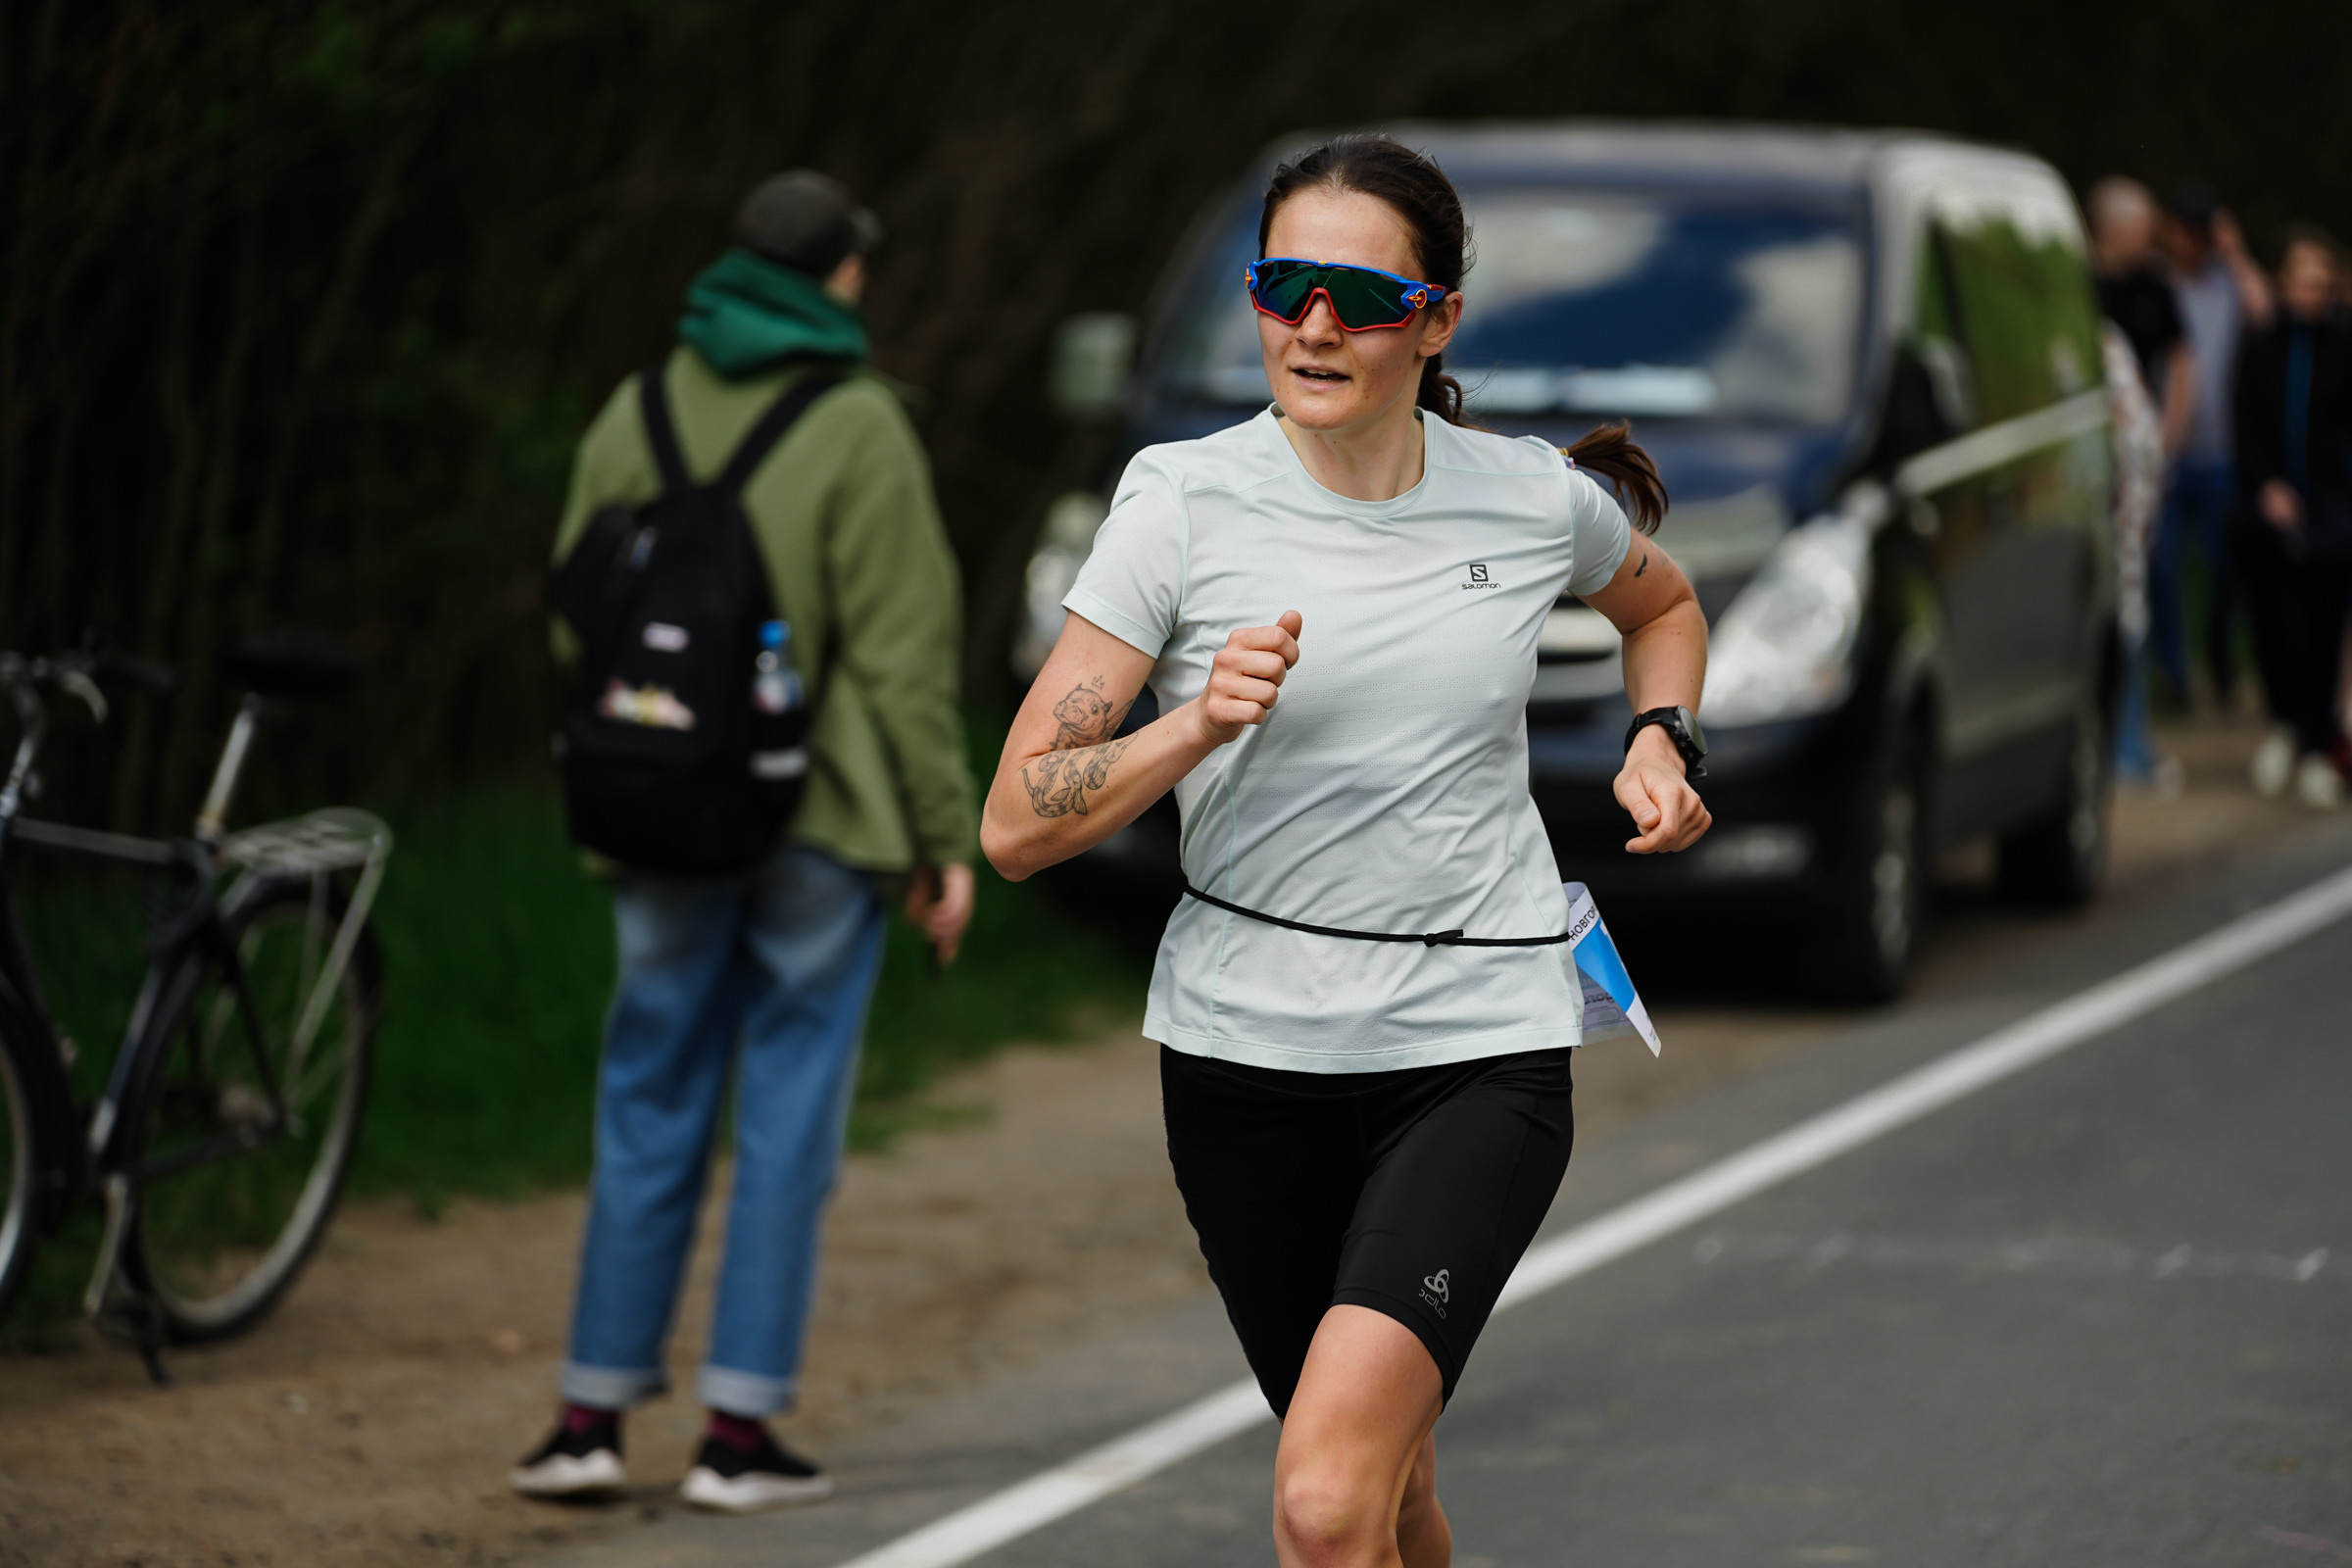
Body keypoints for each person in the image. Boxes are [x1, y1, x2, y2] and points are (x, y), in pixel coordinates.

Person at [981, 136, 1710, 1568]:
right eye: (1283, 285)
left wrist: (1663, 737)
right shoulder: (1181, 503)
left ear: (1435, 319)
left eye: (1360, 296)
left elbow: (1663, 605)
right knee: (1392, 1495)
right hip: (1244, 1059)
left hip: (1473, 1049)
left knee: (1321, 1505)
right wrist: (1194, 725)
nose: (1313, 325)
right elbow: (1017, 821)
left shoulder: (1525, 497)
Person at [513, 171, 979, 1511]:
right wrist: (944, 840)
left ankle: (588, 1418)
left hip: (652, 813)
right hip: (818, 829)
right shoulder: (858, 426)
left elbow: (573, 618)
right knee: (786, 1120)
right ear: (841, 278)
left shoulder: (633, 408)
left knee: (646, 1094)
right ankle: (736, 1438)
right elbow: (900, 659)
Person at [2232, 228, 2352, 808]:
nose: (2314, 291)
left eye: (2322, 281)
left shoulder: (2343, 343)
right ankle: (2283, 720)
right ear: (2284, 282)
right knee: (2276, 623)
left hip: (2331, 504)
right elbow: (2244, 420)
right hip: (2272, 504)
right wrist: (2265, 485)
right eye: (2304, 280)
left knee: (2326, 627)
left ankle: (2315, 743)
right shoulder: (2260, 344)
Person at [2152, 187, 2274, 713]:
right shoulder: (2157, 285)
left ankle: (2220, 658)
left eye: (2199, 231)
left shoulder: (2228, 284)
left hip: (2222, 455)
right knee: (2162, 570)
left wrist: (2234, 249)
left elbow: (2265, 311)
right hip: (2168, 452)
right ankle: (2176, 677)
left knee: (2228, 571)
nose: (2189, 240)